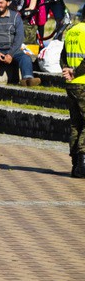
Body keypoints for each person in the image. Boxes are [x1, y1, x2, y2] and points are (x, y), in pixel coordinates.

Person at [61, 21, 85, 178]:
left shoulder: (72, 31)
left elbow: (62, 56)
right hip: (82, 82)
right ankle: (83, 160)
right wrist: (75, 72)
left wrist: (67, 71)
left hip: (71, 84)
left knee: (76, 124)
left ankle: (75, 164)